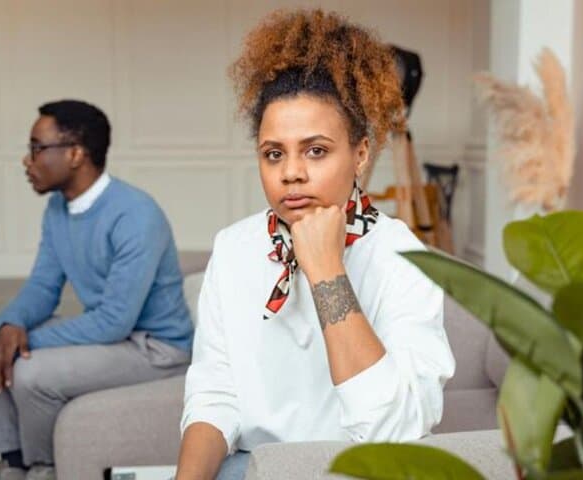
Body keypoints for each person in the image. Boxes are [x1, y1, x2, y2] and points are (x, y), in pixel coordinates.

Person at [175, 10, 455, 480]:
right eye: (274, 154)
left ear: (360, 153)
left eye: (316, 150)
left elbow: (392, 431)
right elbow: (214, 395)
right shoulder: (234, 248)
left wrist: (326, 269)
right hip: (253, 469)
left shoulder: (404, 257)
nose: (291, 173)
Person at [0, 100, 194, 480]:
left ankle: (45, 468)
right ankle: (13, 460)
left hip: (155, 348)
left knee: (31, 371)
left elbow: (114, 321)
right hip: (114, 336)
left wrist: (23, 342)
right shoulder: (58, 209)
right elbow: (43, 286)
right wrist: (11, 326)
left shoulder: (136, 214)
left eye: (37, 148)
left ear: (75, 154)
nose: (27, 160)